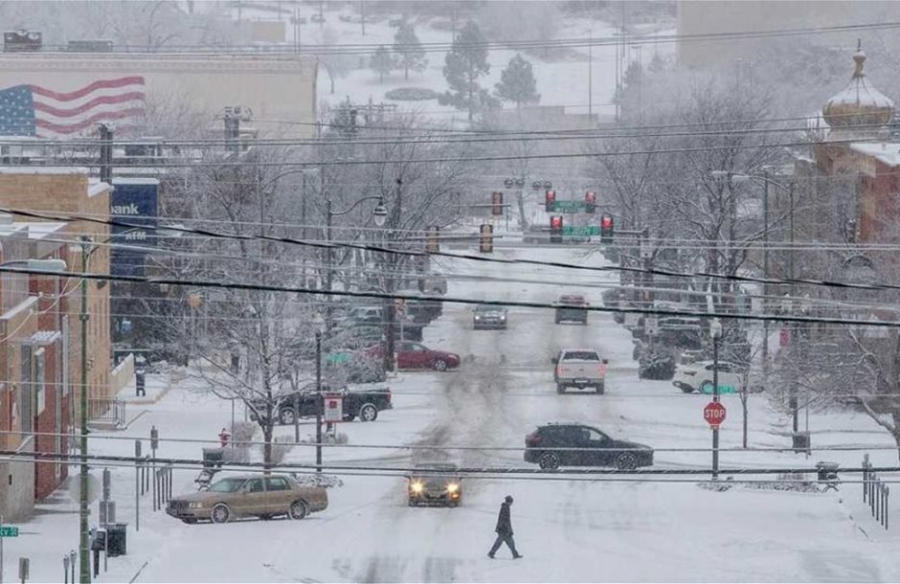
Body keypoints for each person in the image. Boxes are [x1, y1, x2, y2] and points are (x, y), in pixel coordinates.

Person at [488, 495, 522, 559]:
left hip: (503, 529)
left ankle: (514, 554)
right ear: (509, 502)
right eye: (511, 502)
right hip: (503, 530)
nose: (512, 504)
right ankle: (514, 554)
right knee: (505, 542)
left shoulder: (505, 507)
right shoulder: (505, 508)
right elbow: (505, 520)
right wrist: (507, 529)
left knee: (506, 542)